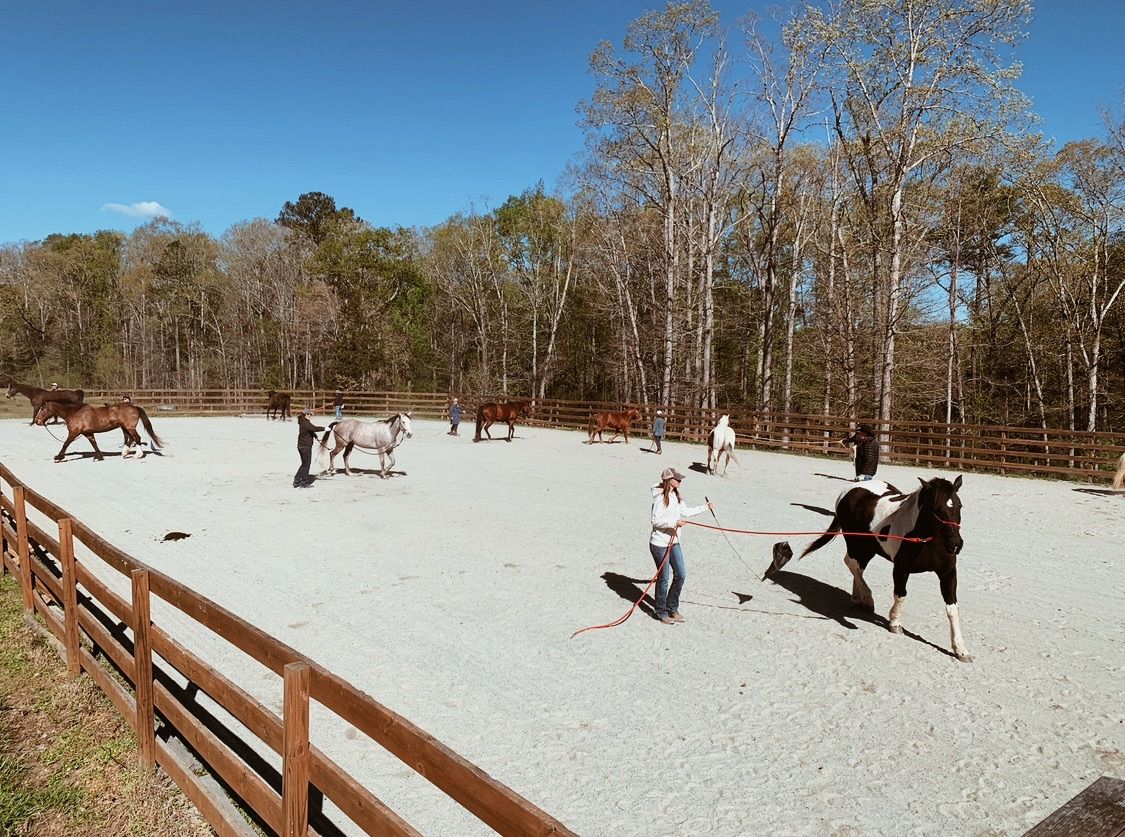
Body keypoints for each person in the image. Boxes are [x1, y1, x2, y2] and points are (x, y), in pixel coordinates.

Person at [648, 467, 712, 625]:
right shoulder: (659, 499)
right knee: (663, 579)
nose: (680, 481)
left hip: (674, 542)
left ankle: (672, 608)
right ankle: (661, 612)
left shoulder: (677, 496)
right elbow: (655, 521)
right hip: (659, 543)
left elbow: (686, 512)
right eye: (677, 479)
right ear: (668, 480)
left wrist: (705, 507)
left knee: (681, 575)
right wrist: (674, 522)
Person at [294, 408, 325, 488]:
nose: (311, 416)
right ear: (307, 414)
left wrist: (313, 435)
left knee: (304, 464)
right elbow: (314, 428)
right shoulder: (305, 422)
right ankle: (304, 482)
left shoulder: (302, 421)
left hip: (301, 446)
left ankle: (297, 481)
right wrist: (324, 428)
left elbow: (308, 430)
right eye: (310, 414)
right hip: (305, 446)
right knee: (307, 464)